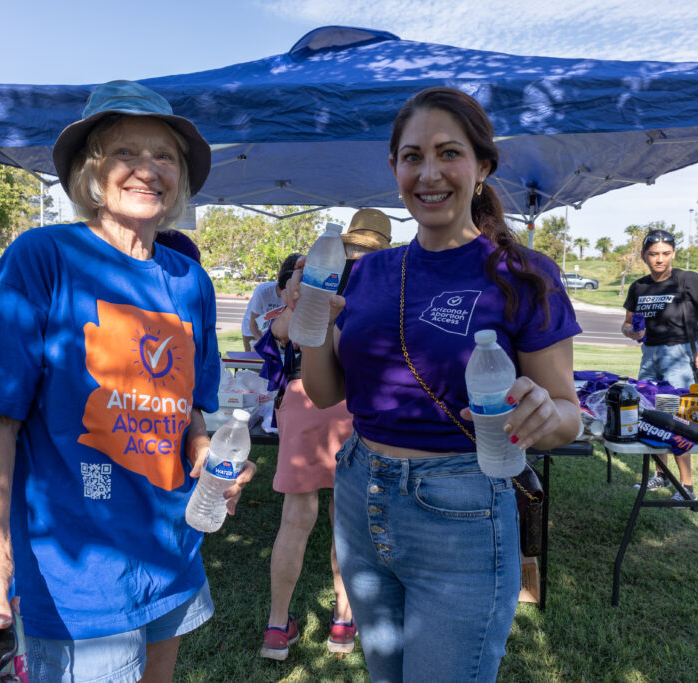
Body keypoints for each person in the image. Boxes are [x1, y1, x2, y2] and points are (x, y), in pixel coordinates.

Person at [0, 80, 255, 683]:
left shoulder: (191, 281)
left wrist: (206, 454)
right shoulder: (42, 257)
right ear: (92, 172)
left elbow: (189, 407)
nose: (148, 170)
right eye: (126, 154)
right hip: (76, 566)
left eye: (164, 156)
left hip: (171, 545)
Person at [295, 87, 582, 681]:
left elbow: (567, 414)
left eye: (449, 153)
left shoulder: (524, 275)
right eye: (411, 157)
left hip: (464, 507)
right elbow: (327, 395)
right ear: (394, 168)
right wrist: (313, 322)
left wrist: (541, 414)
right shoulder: (368, 270)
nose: (429, 173)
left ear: (483, 167)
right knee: (385, 673)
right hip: (359, 493)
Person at [257, 210, 391, 661]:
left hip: (302, 399)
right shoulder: (387, 286)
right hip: (355, 405)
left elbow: (277, 332)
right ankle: (342, 622)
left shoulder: (314, 278)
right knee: (347, 524)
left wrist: (297, 288)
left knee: (294, 521)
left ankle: (277, 627)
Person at [621, 228, 698, 501]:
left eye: (666, 254)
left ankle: (687, 486)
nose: (660, 259)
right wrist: (630, 332)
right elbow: (627, 323)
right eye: (654, 254)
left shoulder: (688, 280)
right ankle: (661, 476)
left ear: (674, 253)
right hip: (649, 355)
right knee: (650, 414)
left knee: (674, 418)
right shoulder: (638, 287)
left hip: (679, 356)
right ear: (644, 256)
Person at [241, 277, 284, 351]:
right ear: (280, 289)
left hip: (271, 330)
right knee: (254, 360)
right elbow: (253, 325)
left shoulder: (294, 292)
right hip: (252, 331)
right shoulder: (262, 291)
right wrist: (267, 345)